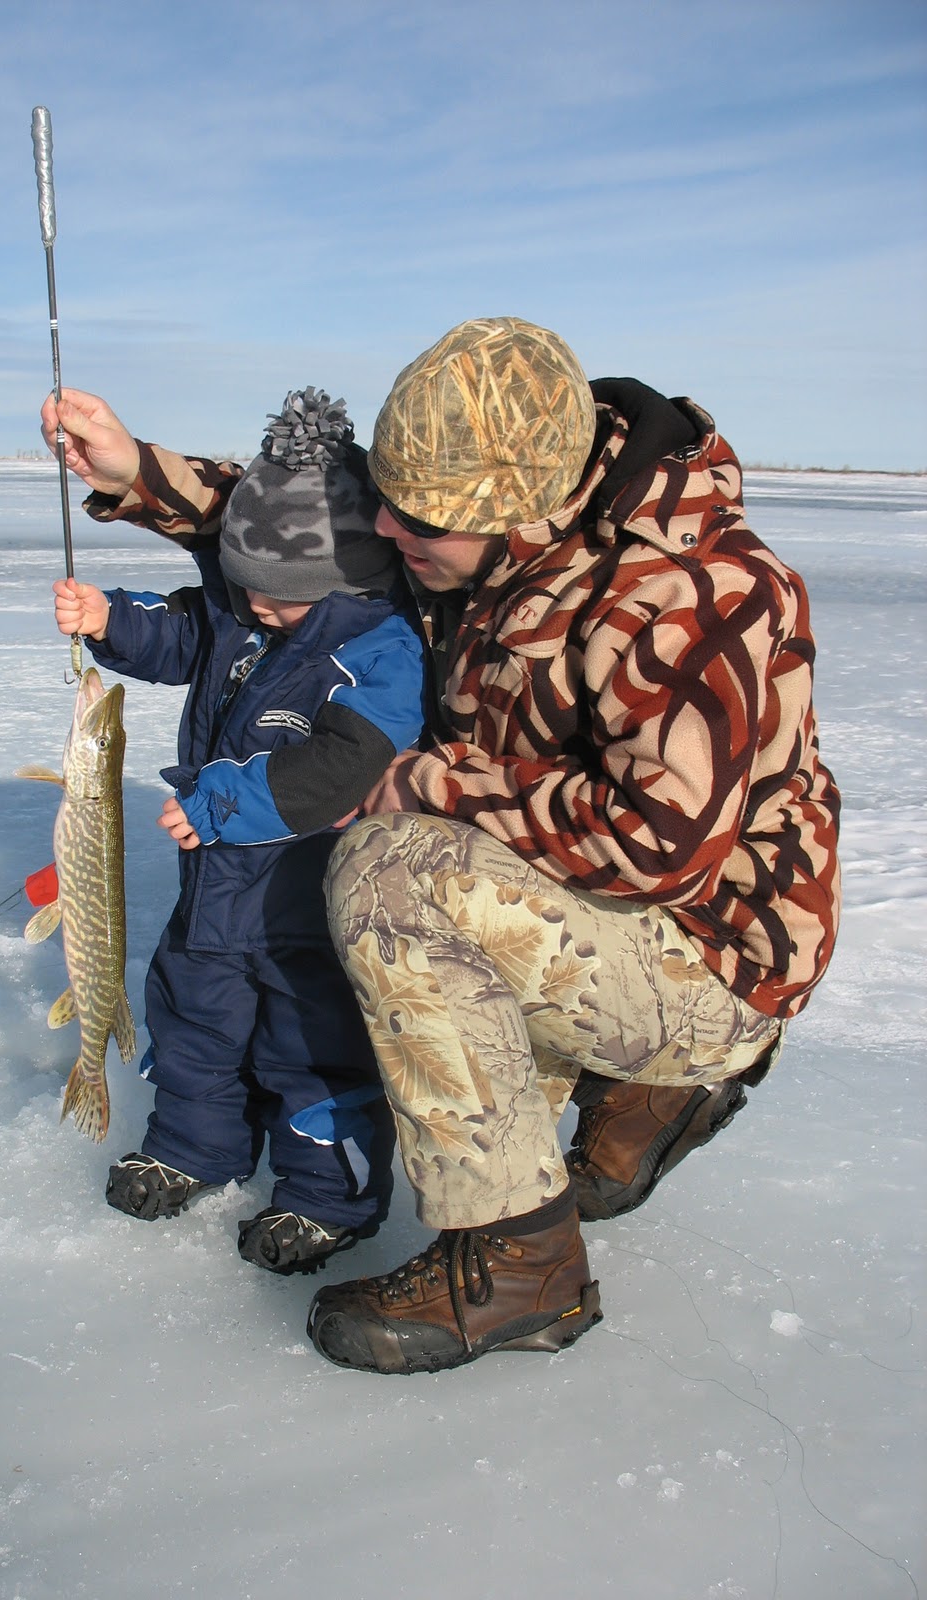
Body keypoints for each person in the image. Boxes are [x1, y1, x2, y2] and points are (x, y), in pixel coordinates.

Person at [43, 316, 841, 1375]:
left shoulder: (695, 596)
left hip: (706, 947)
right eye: (386, 498)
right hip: (559, 889)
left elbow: (655, 846)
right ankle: (630, 1088)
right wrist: (136, 472)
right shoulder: (469, 516)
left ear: (517, 515)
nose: (384, 528)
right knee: (404, 896)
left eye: (412, 519)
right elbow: (312, 541)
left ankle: (523, 1265)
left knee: (391, 871)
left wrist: (413, 782)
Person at [45, 386, 427, 1276]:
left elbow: (343, 765)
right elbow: (189, 632)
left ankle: (325, 1199)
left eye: (276, 597)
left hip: (308, 903)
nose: (252, 607)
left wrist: (220, 803)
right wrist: (111, 621)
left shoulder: (383, 651)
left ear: (340, 580)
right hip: (215, 892)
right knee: (192, 1025)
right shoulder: (249, 607)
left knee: (313, 1052)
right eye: (242, 585)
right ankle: (192, 1149)